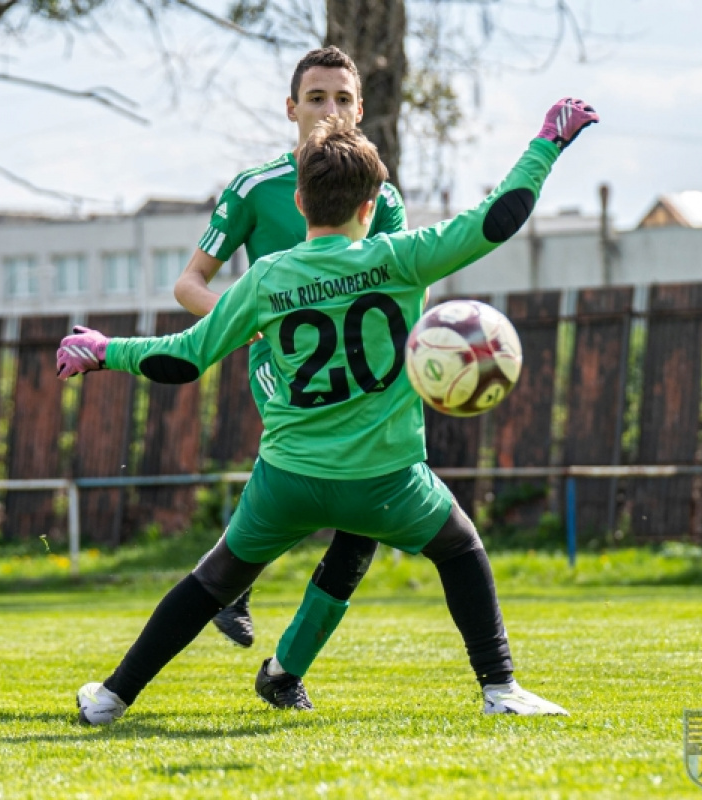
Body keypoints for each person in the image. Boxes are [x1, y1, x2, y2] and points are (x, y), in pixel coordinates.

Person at [57, 96, 599, 725]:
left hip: (288, 480)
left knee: (213, 581)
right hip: (385, 481)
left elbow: (185, 358)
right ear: (371, 206)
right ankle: (499, 687)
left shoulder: (266, 277)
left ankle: (110, 699)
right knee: (459, 547)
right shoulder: (399, 257)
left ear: (298, 202)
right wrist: (546, 144)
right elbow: (495, 220)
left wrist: (104, 351)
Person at [174, 47, 406, 676]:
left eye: (342, 99)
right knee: (328, 479)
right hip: (284, 365)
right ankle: (235, 576)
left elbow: (399, 291)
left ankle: (284, 667)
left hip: (362, 372)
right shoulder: (256, 188)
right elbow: (190, 283)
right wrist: (244, 325)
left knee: (366, 521)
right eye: (315, 98)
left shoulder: (381, 196)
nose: (329, 110)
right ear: (291, 109)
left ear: (359, 109)